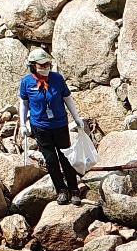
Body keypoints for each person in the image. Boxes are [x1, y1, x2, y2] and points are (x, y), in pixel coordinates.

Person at [17, 48, 87, 205]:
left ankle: (74, 189)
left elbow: (67, 98)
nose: (45, 67)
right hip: (40, 127)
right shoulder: (26, 82)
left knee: (66, 157)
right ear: (33, 66)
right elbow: (24, 103)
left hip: (60, 125)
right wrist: (23, 124)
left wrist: (76, 118)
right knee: (51, 160)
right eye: (41, 65)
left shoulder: (57, 79)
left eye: (47, 63)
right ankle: (61, 190)